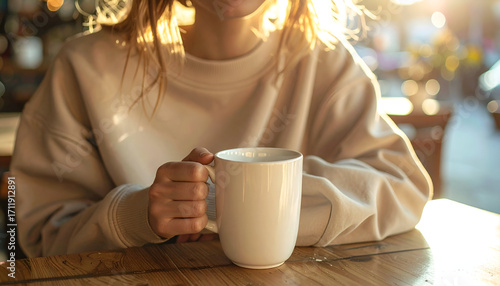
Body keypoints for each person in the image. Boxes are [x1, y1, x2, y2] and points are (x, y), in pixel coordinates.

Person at [11, 0, 432, 257]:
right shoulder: (84, 69)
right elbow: (31, 237)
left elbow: (403, 187)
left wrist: (253, 213)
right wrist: (135, 216)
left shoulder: (325, 63)